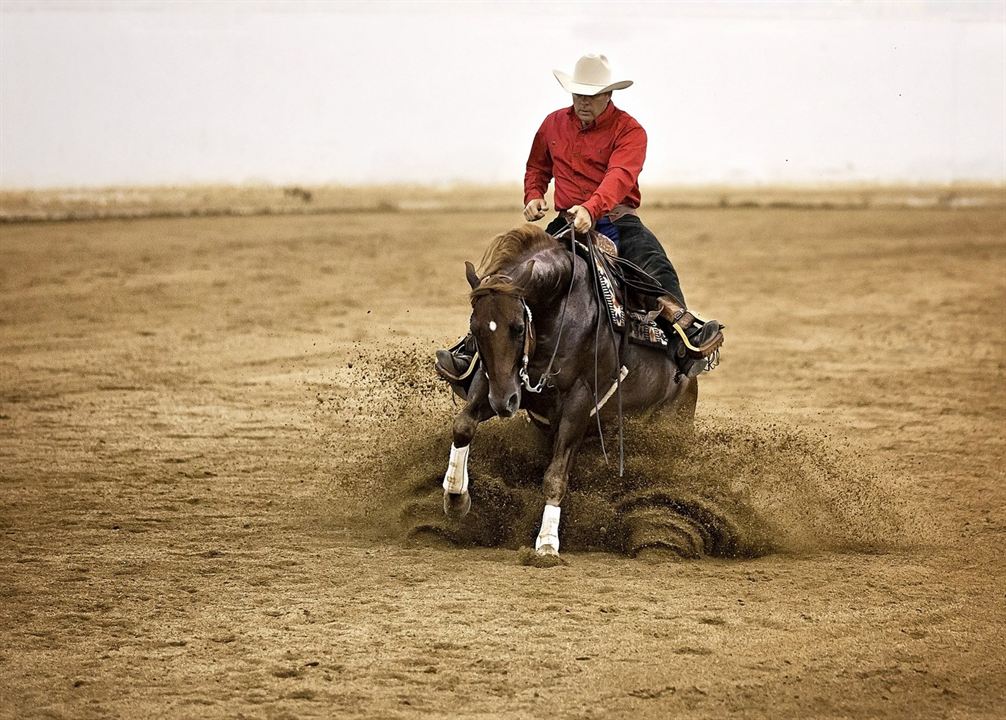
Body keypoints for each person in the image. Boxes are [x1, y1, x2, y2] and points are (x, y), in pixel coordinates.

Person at [436, 53, 723, 383]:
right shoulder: (553, 124)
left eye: (591, 96)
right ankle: (472, 350)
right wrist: (533, 194)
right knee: (513, 274)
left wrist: (592, 208)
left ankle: (685, 337)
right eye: (578, 95)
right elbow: (538, 166)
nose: (583, 103)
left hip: (616, 219)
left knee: (651, 265)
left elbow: (619, 176)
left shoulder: (630, 131)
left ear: (609, 95)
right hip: (566, 220)